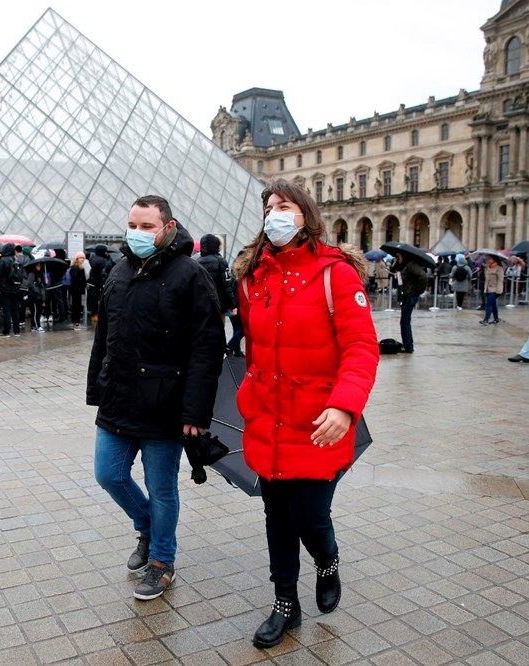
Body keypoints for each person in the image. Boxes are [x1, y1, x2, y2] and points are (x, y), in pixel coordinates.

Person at [233, 178, 378, 648]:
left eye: (284, 205)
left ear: (306, 214)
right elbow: (254, 348)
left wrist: (345, 405)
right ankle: (284, 603)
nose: (274, 213)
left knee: (311, 513)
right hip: (269, 415)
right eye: (268, 206)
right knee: (277, 514)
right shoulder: (253, 275)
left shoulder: (336, 273)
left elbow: (361, 347)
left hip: (319, 420)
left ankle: (328, 558)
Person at [87, 194, 225, 602]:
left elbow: (207, 347)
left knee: (162, 487)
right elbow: (103, 338)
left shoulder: (190, 275)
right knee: (108, 474)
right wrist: (98, 386)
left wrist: (195, 412)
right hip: (118, 397)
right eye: (132, 225)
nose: (137, 233)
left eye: (146, 226)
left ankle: (163, 562)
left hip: (166, 402)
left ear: (168, 227)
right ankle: (149, 527)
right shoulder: (119, 271)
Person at [390, 254, 427, 353]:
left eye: (398, 256)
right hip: (406, 296)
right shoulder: (404, 265)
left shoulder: (411, 264)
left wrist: (417, 291)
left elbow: (423, 276)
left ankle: (408, 346)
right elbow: (398, 275)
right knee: (404, 321)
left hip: (410, 296)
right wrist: (396, 263)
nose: (397, 258)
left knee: (405, 321)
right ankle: (407, 345)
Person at [0, 244, 22, 337]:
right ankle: (17, 331)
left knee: (7, 310)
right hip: (15, 288)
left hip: (5, 288)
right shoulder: (16, 260)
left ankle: (6, 331)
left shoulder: (3, 260)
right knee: (15, 310)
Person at [480, 256, 504, 325]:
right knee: (493, 304)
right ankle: (496, 319)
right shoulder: (488, 267)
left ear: (494, 259)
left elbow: (500, 280)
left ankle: (486, 320)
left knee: (488, 304)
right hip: (488, 289)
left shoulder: (499, 268)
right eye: (488, 258)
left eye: (490, 259)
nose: (488, 260)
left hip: (495, 289)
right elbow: (486, 279)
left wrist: (499, 291)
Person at [24, 263, 46, 332]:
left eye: (40, 265)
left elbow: (42, 286)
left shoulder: (41, 274)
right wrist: (36, 288)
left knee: (38, 311)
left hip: (39, 296)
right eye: (37, 265)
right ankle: (38, 326)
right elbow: (29, 284)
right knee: (36, 311)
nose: (39, 267)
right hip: (34, 296)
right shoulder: (32, 273)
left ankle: (34, 326)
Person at [68, 253, 87, 330]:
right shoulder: (77, 268)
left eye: (83, 258)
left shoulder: (76, 267)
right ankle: (76, 322)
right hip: (77, 289)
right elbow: (76, 279)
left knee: (76, 305)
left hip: (76, 289)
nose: (82, 259)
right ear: (77, 259)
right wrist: (82, 284)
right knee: (77, 306)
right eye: (80, 258)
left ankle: (75, 321)